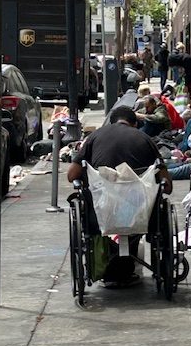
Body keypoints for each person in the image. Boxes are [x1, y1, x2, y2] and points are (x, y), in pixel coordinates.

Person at [67, 106, 172, 285]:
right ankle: (124, 264)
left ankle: (114, 264)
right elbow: (166, 185)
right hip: (140, 214)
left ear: (111, 122)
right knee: (145, 202)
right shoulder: (145, 139)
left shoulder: (95, 136)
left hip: (101, 214)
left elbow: (71, 175)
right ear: (135, 124)